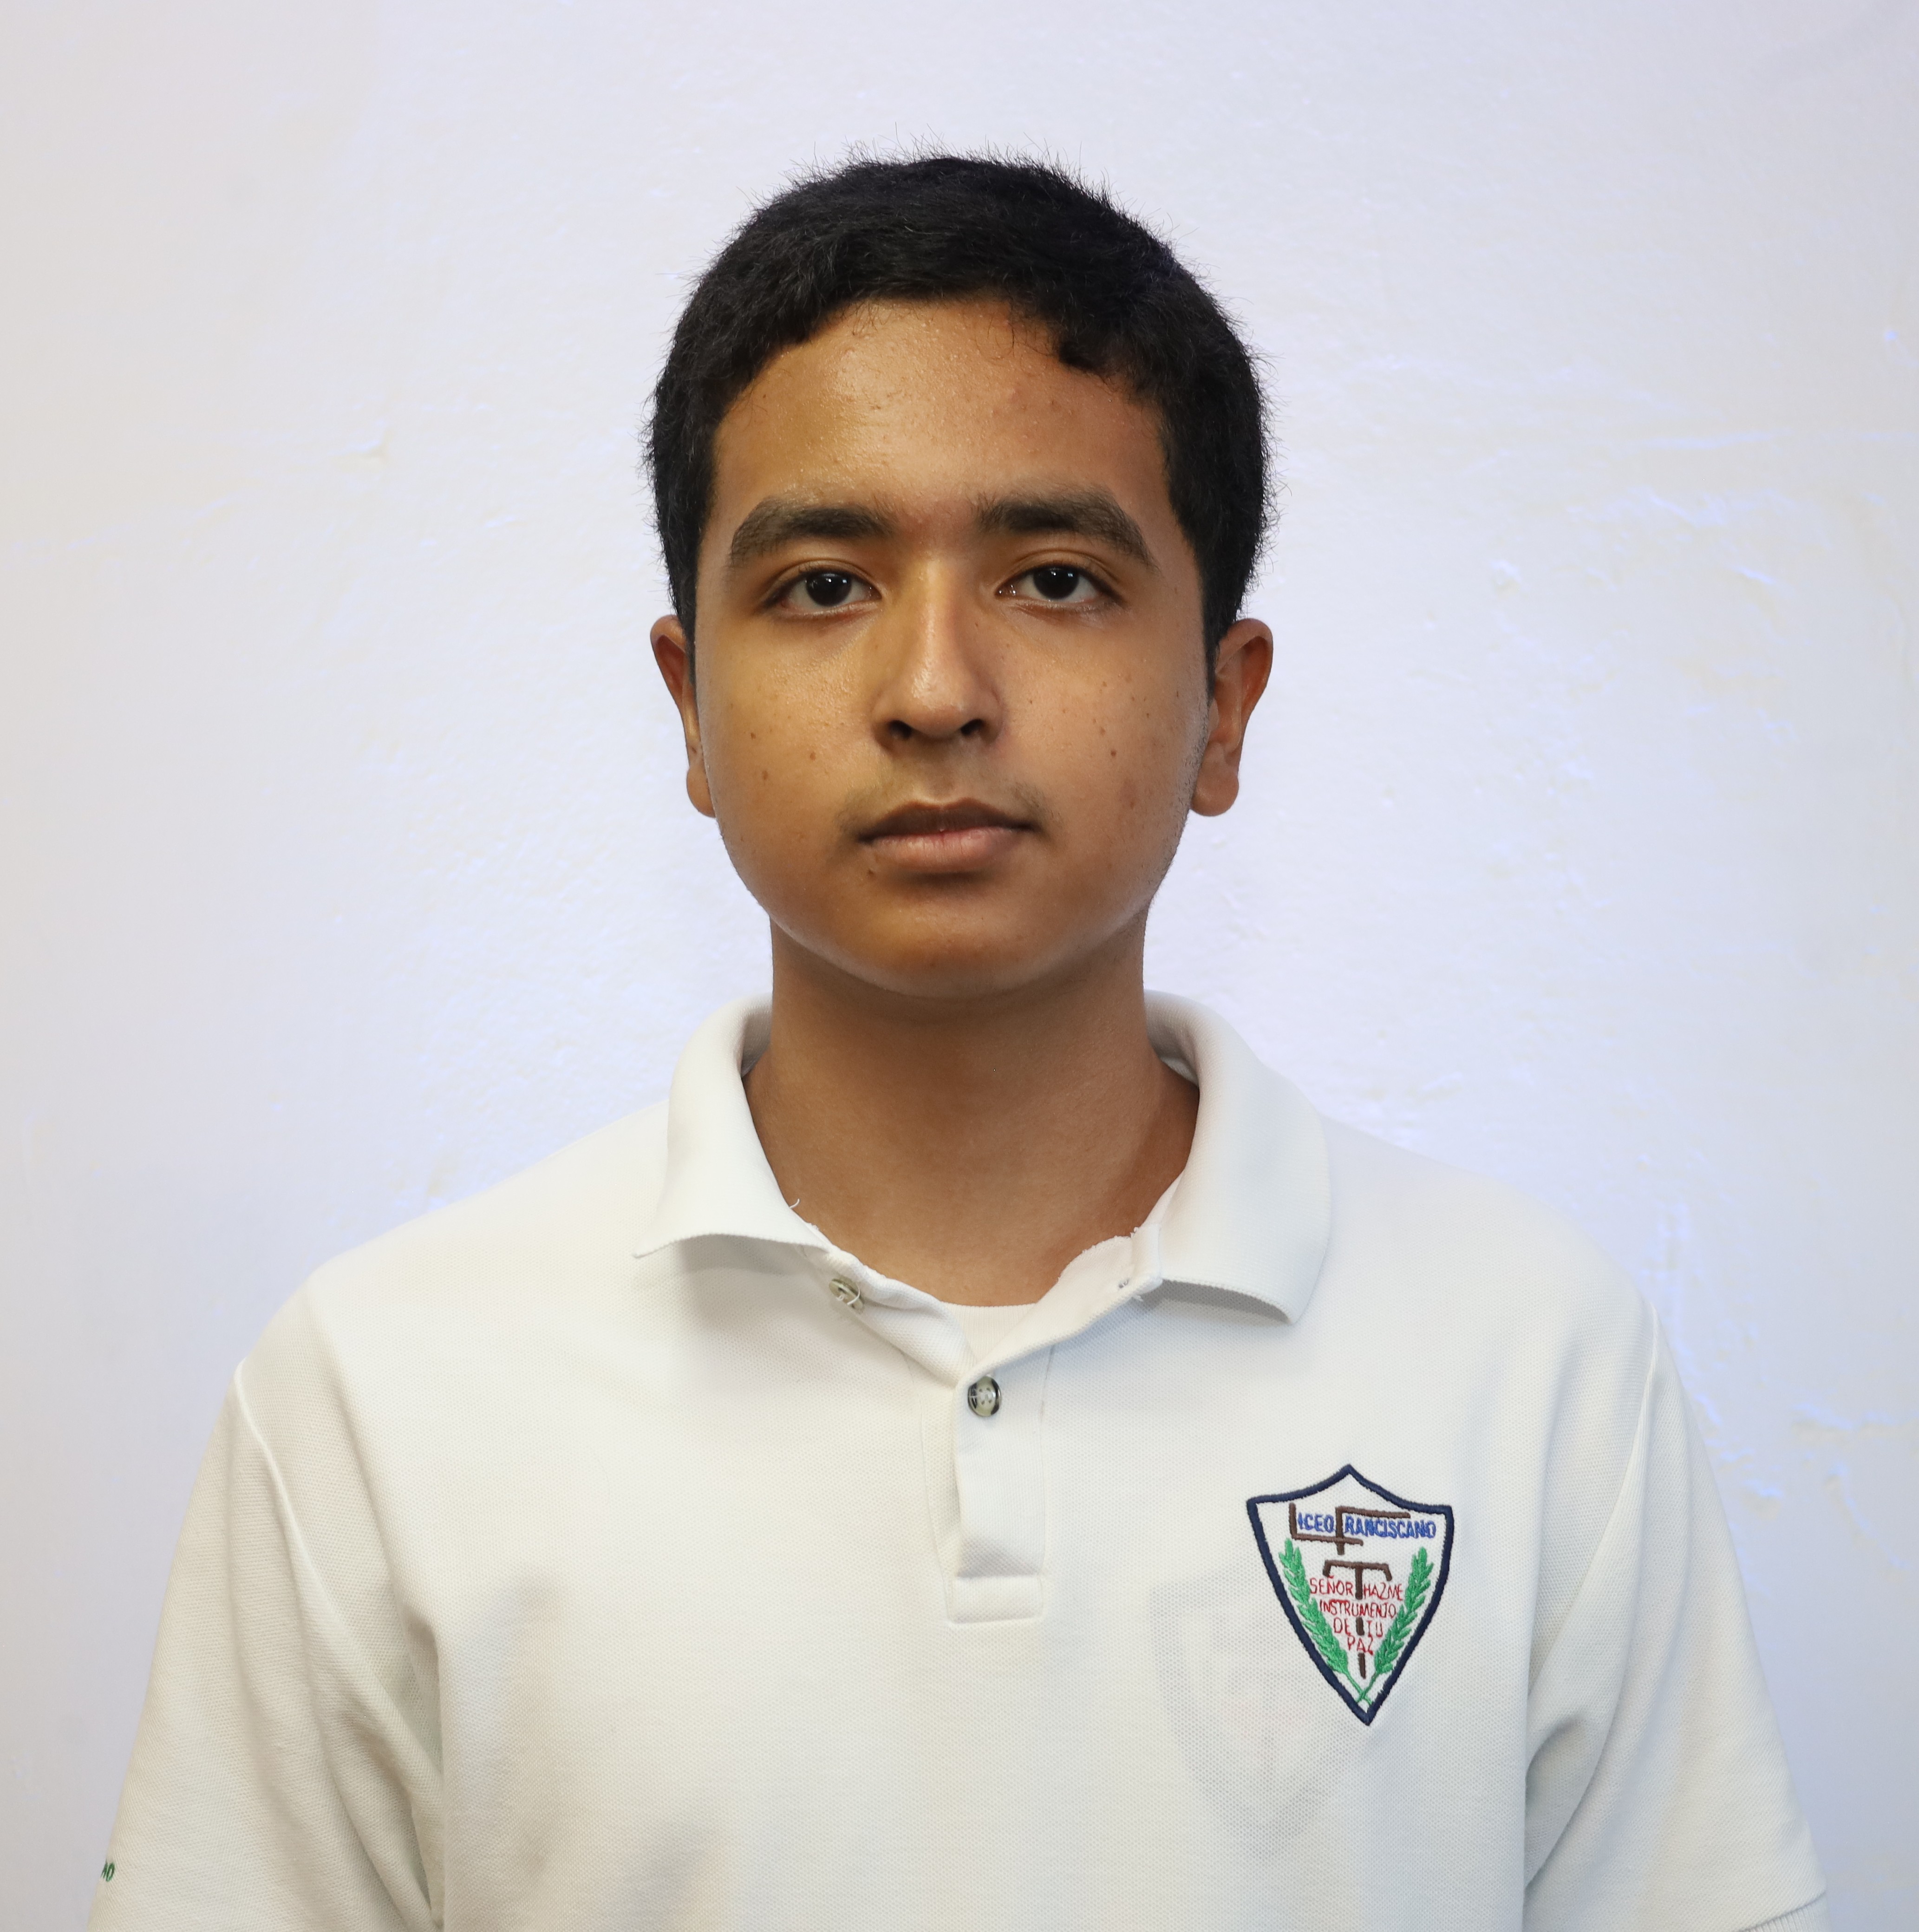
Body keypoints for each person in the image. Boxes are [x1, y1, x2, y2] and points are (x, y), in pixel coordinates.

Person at [92, 155, 1828, 1931]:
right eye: (822, 586)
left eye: (1055, 579)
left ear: (1221, 709)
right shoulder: (383, 1394)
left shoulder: (1529, 1364)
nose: (934, 690)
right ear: (689, 709)